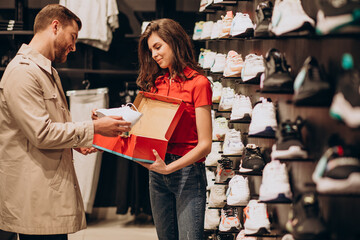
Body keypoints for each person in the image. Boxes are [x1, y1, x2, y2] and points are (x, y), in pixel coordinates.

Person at [0, 4, 131, 240]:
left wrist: (74, 142)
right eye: (73, 36)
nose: (73, 45)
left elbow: (45, 126)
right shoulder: (22, 72)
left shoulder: (48, 72)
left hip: (47, 196)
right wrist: (93, 128)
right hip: (34, 199)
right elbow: (41, 133)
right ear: (55, 26)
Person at [136, 18, 213, 240]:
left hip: (188, 173)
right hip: (157, 172)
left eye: (158, 47)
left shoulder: (199, 83)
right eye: (151, 50)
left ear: (174, 41)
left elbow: (205, 145)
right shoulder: (155, 84)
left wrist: (170, 169)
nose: (154, 55)